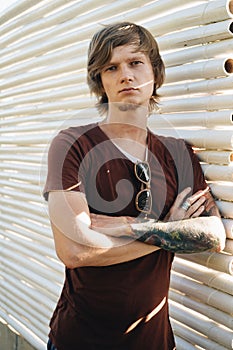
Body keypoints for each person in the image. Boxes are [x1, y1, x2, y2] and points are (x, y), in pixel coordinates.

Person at [43, 22, 226, 350]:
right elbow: (74, 250)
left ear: (155, 72)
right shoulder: (73, 144)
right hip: (79, 339)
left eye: (136, 63)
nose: (126, 75)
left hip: (154, 341)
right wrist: (169, 232)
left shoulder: (178, 153)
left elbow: (213, 236)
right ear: (100, 80)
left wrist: (124, 225)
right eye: (111, 67)